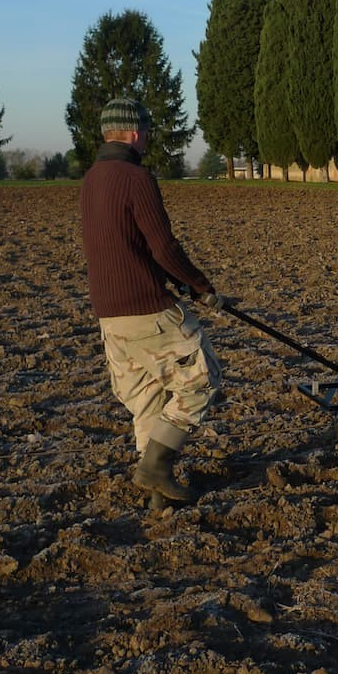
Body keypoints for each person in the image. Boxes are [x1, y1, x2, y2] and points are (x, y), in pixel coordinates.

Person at [79, 97, 225, 502]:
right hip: (147, 309)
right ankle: (155, 466)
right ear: (134, 132)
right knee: (202, 378)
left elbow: (123, 244)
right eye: (145, 131)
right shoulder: (136, 178)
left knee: (149, 399)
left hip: (110, 314)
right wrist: (201, 286)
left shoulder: (92, 178)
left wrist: (174, 280)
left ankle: (158, 495)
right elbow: (162, 245)